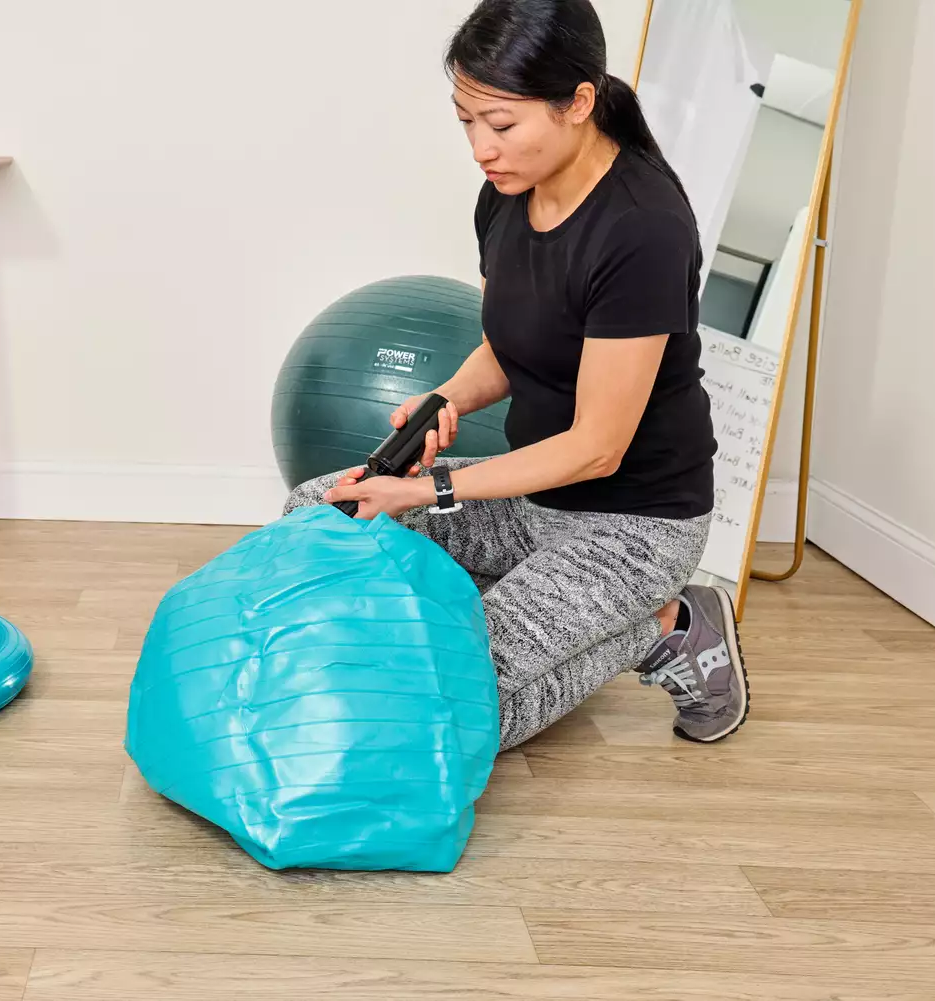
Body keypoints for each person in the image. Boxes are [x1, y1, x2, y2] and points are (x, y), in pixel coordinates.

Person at [282, 0, 747, 750]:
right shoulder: (505, 195)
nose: (479, 148)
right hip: (533, 496)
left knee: (456, 709)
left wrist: (428, 490)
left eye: (500, 124)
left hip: (633, 524)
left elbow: (598, 447)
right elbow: (513, 343)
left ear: (579, 103)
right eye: (466, 121)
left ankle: (669, 624)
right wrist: (448, 397)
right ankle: (472, 627)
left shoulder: (643, 229)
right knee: (316, 509)